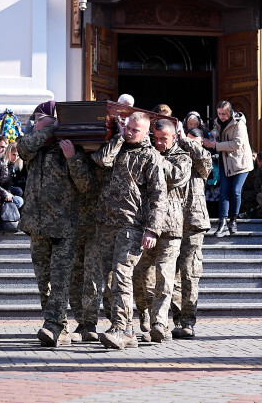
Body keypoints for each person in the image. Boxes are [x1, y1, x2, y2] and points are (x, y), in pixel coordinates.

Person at [90, 112, 167, 350]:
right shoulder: (117, 148)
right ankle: (128, 331)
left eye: (136, 130)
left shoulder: (151, 156)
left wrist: (153, 230)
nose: (131, 133)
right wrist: (118, 138)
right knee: (108, 280)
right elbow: (101, 161)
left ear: (146, 133)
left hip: (132, 225)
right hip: (106, 223)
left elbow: (159, 196)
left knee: (122, 276)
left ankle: (120, 329)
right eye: (128, 128)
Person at [16, 114, 93, 347]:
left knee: (60, 280)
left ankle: (54, 326)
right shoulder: (34, 153)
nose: (37, 135)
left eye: (43, 130)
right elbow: (23, 145)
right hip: (37, 227)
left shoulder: (71, 151)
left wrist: (71, 158)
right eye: (37, 131)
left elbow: (85, 184)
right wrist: (50, 130)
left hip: (64, 228)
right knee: (44, 282)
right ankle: (58, 326)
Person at [133, 119, 191, 343]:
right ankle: (149, 317)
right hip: (147, 224)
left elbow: (175, 177)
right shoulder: (146, 154)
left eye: (163, 139)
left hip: (170, 227)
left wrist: (154, 157)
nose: (158, 143)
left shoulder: (182, 158)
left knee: (165, 277)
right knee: (141, 275)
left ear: (174, 137)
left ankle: (160, 323)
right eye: (155, 139)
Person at [170, 126, 213, 338]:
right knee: (171, 275)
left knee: (189, 273)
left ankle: (188, 321)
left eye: (192, 141)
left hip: (193, 223)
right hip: (171, 222)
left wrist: (185, 140)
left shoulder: (201, 160)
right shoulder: (174, 157)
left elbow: (203, 158)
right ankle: (177, 320)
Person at [203, 101, 254, 237]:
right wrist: (212, 138)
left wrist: (216, 145)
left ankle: (233, 221)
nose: (221, 116)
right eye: (219, 114)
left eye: (223, 114)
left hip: (240, 163)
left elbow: (237, 143)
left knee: (235, 191)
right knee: (224, 192)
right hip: (225, 162)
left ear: (229, 112)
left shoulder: (239, 123)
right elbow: (218, 139)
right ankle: (222, 222)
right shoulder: (217, 122)